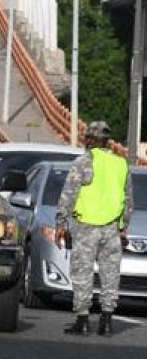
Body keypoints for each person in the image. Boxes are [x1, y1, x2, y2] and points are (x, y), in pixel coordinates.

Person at [54, 120, 132, 336]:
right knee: (110, 275)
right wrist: (123, 227)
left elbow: (68, 195)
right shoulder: (120, 164)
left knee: (82, 272)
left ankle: (83, 319)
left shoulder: (83, 162)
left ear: (89, 139)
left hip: (87, 227)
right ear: (107, 141)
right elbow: (128, 200)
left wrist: (61, 223)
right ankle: (107, 321)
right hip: (112, 229)